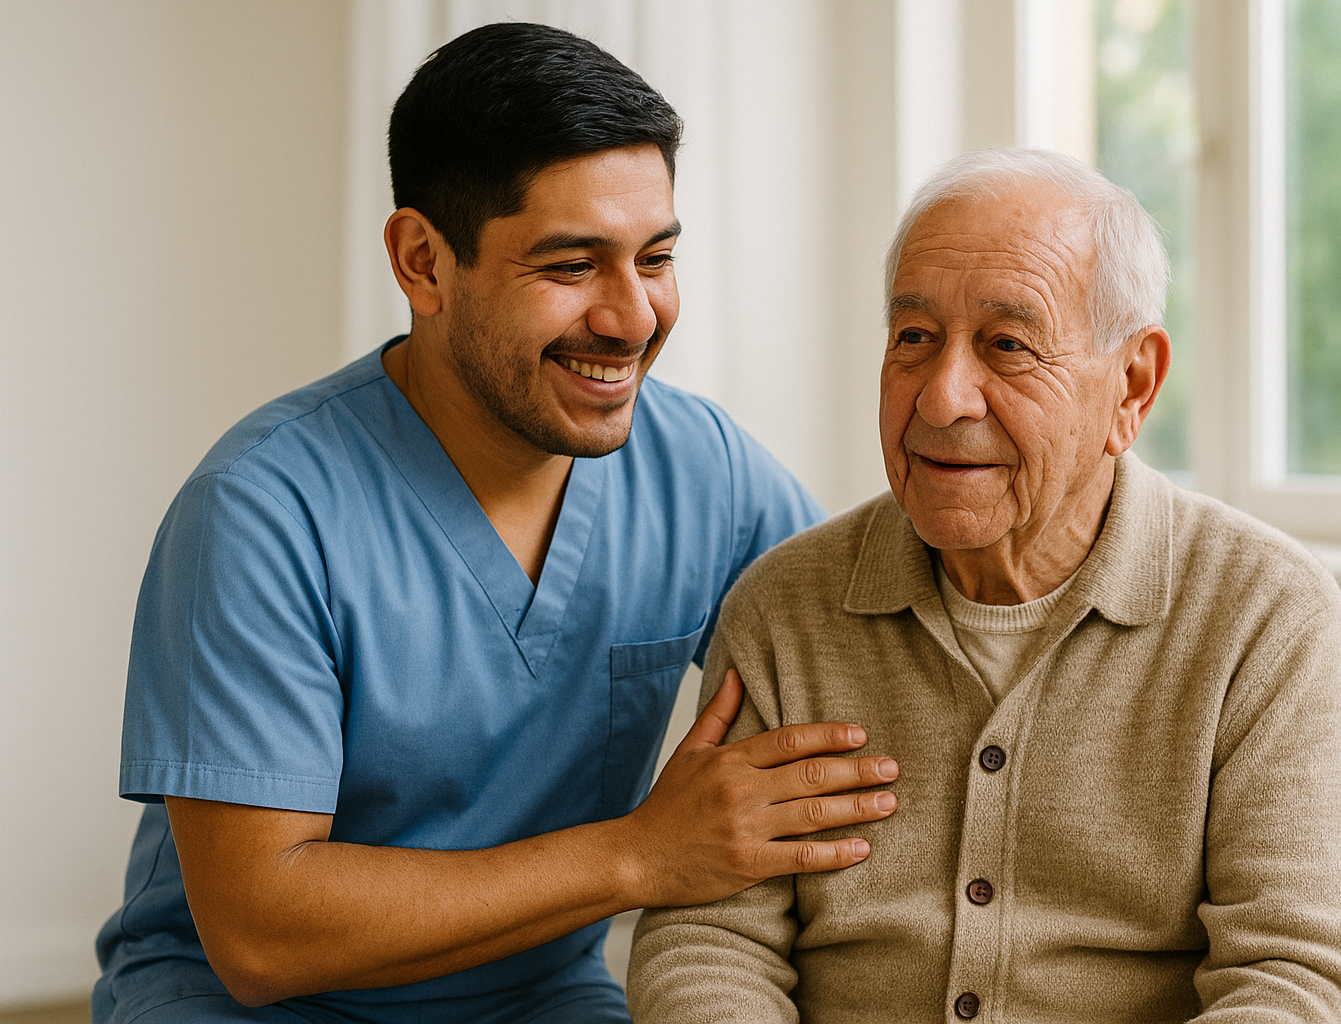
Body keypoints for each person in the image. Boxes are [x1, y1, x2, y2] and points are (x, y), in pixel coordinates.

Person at [93, 22, 901, 1024]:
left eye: (655, 256)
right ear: (424, 262)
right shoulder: (261, 512)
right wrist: (641, 852)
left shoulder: (706, 471)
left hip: (537, 1001)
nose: (633, 316)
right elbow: (262, 933)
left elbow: (875, 641)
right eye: (572, 265)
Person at [627, 148, 1341, 1023]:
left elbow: (1293, 977)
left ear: (1132, 386)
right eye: (913, 338)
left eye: (1008, 346)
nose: (944, 397)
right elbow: (708, 942)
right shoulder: (782, 607)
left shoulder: (1265, 613)